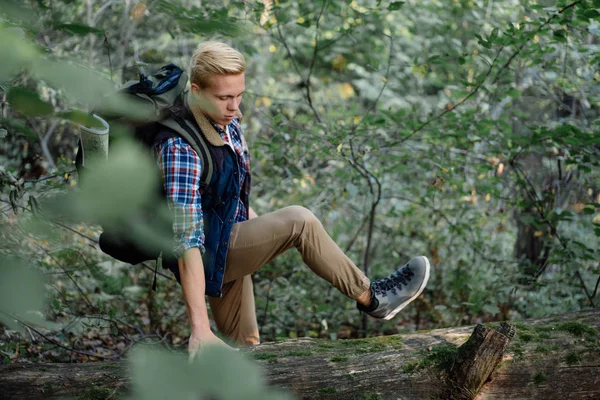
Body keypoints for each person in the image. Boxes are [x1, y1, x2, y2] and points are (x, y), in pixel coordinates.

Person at [154, 41, 431, 357]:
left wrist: (262, 235)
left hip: (225, 239)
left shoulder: (225, 122)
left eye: (239, 95)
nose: (235, 107)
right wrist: (199, 330)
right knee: (300, 220)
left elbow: (231, 190)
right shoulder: (179, 148)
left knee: (246, 351)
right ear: (196, 90)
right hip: (205, 254)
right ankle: (374, 298)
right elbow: (186, 240)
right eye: (224, 97)